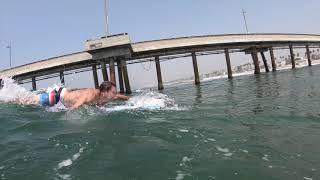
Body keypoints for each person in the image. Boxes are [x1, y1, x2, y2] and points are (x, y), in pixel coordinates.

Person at [17, 81, 129, 109]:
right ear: (104, 92)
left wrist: (133, 100)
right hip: (56, 97)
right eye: (113, 92)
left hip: (64, 94)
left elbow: (120, 97)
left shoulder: (108, 97)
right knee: (25, 102)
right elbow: (75, 107)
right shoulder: (90, 96)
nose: (115, 94)